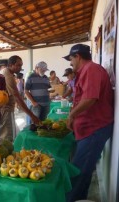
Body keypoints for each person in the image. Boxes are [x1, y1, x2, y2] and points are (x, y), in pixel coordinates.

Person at [63, 44, 114, 202]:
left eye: (70, 59)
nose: (70, 63)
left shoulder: (91, 69)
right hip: (87, 129)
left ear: (77, 56)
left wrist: (71, 115)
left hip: (94, 129)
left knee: (78, 174)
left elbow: (90, 98)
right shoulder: (84, 71)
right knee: (82, 173)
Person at [0, 55, 40, 141]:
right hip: (6, 110)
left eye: (21, 65)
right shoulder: (9, 77)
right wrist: (32, 116)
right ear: (11, 65)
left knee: (6, 136)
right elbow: (18, 99)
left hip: (3, 110)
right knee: (9, 138)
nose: (20, 68)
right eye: (18, 65)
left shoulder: (4, 71)